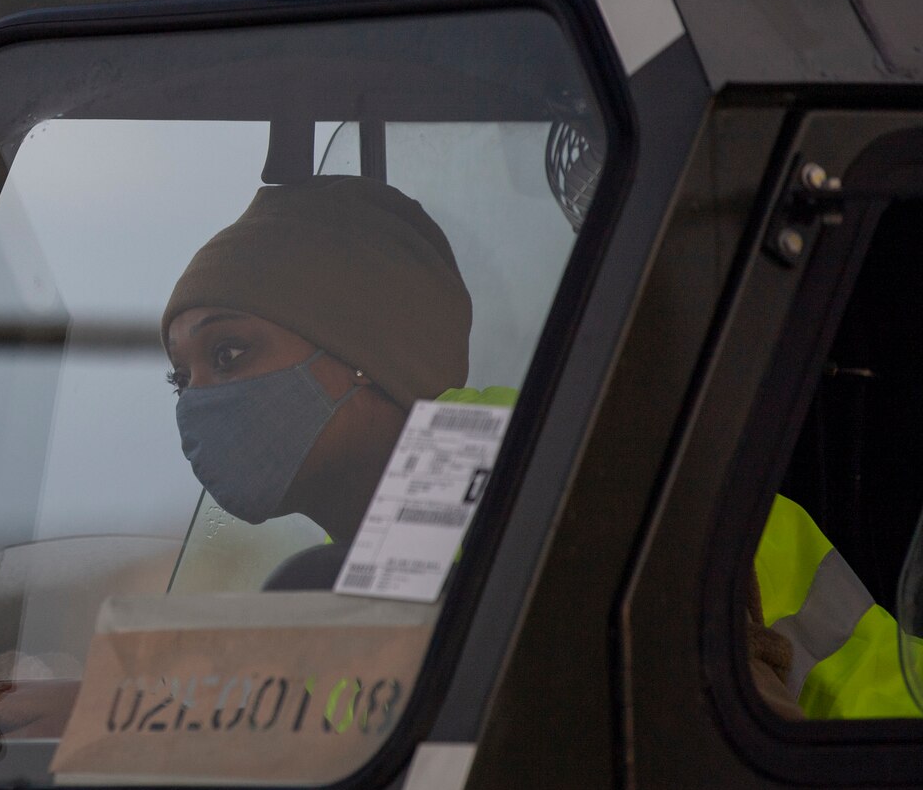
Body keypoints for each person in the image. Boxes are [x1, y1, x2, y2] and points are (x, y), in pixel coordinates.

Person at [159, 174, 917, 721]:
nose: (197, 402)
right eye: (179, 377)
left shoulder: (523, 469)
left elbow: (359, 708)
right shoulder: (373, 546)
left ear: (365, 350)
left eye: (228, 355)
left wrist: (144, 715)